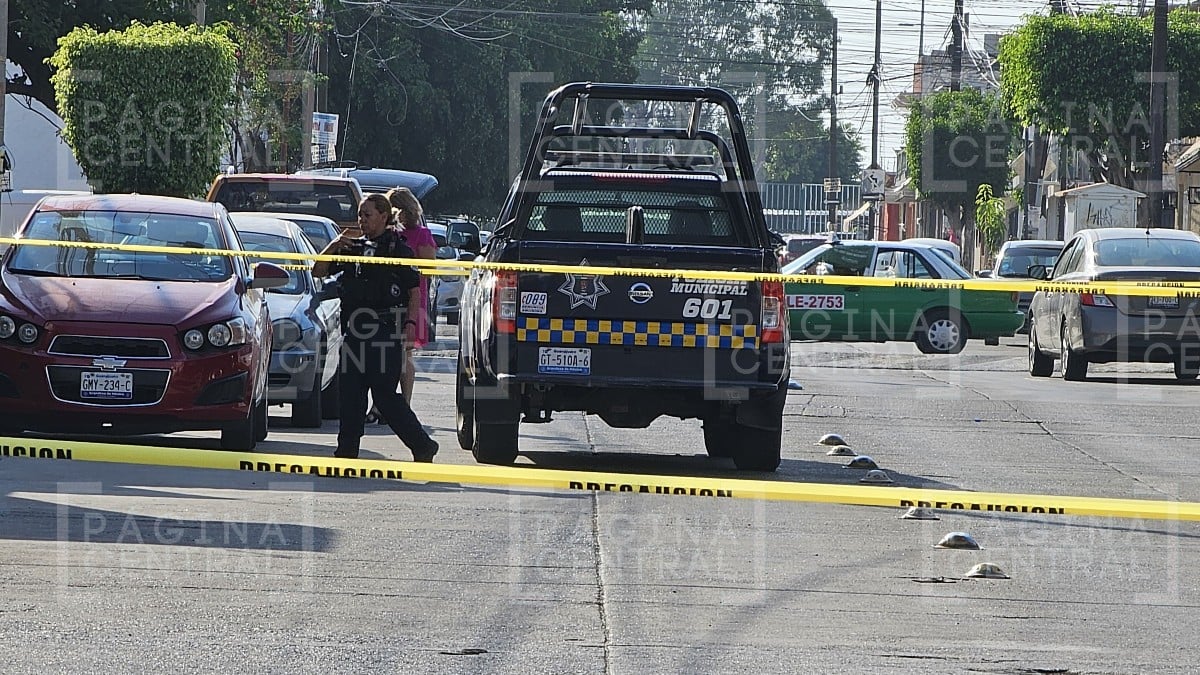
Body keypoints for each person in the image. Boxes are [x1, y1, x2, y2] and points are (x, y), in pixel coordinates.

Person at [312, 193, 439, 462]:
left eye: (367, 215)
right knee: (350, 395)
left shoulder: (397, 249)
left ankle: (423, 445)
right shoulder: (352, 247)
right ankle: (346, 452)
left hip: (384, 331)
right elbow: (318, 271)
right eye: (360, 215)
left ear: (384, 216)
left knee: (384, 397)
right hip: (354, 332)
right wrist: (334, 245)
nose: (362, 220)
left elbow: (415, 290)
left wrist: (411, 325)